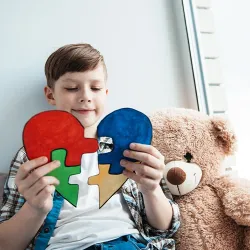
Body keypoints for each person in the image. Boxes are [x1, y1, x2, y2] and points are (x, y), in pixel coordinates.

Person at [0, 43, 180, 250]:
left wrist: (151, 190)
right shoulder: (31, 156)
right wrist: (35, 208)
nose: (86, 96)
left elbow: (166, 228)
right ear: (50, 95)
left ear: (105, 92)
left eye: (94, 88)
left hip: (127, 243)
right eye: (71, 88)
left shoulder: (131, 147)